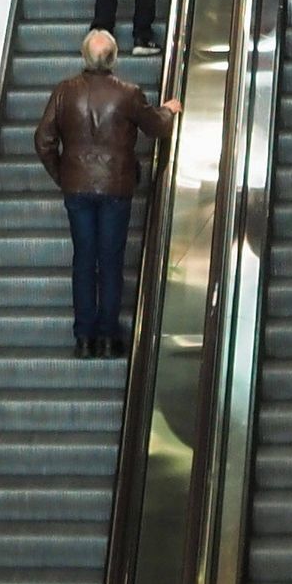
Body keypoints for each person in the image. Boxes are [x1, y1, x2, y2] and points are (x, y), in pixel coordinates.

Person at [34, 29, 173, 358]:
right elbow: (157, 126)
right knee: (110, 261)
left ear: (84, 56)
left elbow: (43, 140)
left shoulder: (64, 92)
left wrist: (63, 174)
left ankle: (83, 338)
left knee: (84, 260)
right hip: (116, 187)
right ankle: (109, 338)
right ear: (113, 58)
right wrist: (169, 109)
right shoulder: (128, 92)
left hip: (77, 189)